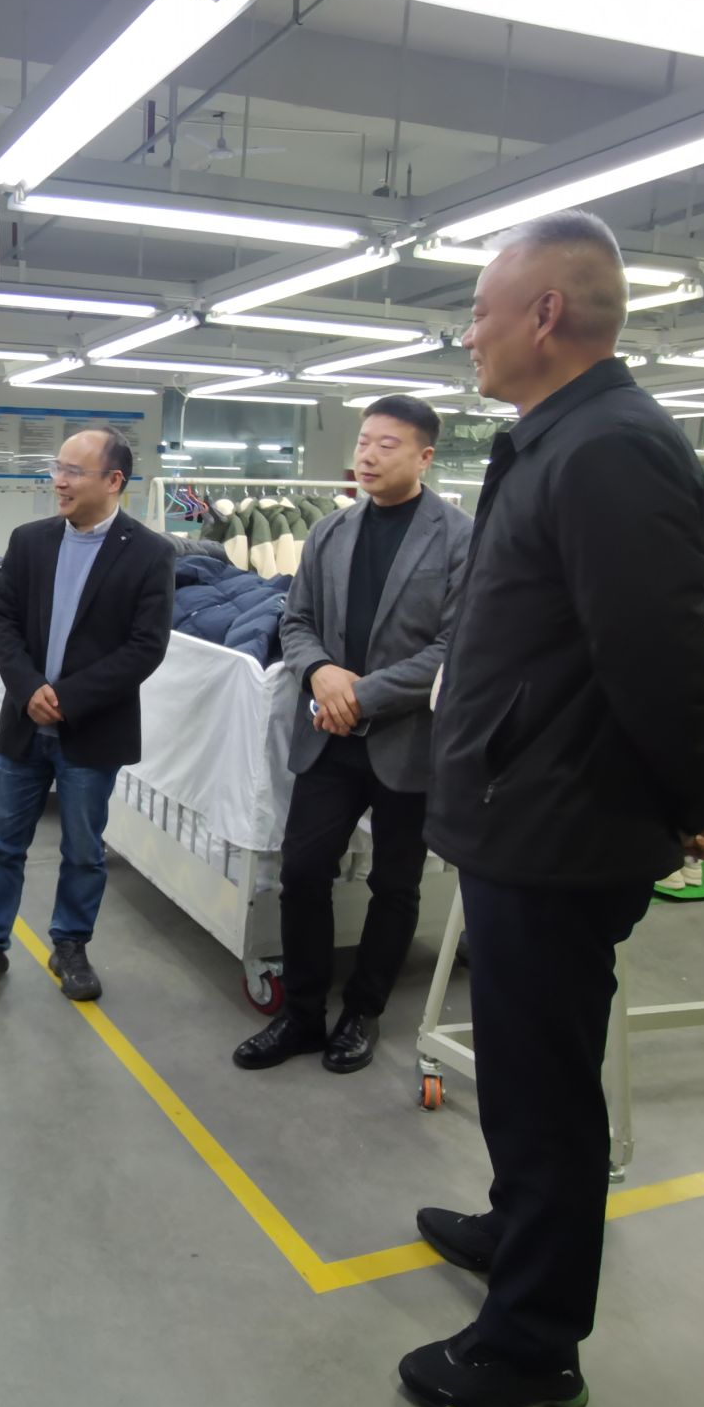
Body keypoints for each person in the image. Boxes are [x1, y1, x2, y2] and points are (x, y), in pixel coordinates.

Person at [399, 212, 704, 1407]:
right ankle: (516, 1230)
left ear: (545, 314)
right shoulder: (555, 441)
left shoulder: (609, 449)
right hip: (523, 812)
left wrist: (688, 799)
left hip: (562, 824)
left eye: (480, 310)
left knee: (545, 1090)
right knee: (522, 1068)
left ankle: (532, 1346)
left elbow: (659, 659)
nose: (467, 334)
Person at [232, 395, 470, 1073]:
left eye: (386, 445)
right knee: (304, 872)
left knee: (395, 885)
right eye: (364, 442)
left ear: (424, 457)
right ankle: (302, 1014)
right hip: (329, 737)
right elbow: (296, 620)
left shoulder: (459, 537)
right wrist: (320, 673)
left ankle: (363, 1011)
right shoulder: (332, 532)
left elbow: (455, 646)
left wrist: (360, 695)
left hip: (407, 740)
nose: (367, 455)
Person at [0, 428, 173, 1005]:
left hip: (92, 731)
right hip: (25, 725)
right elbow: (3, 619)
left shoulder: (149, 553)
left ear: (113, 481)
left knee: (84, 849)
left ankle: (70, 944)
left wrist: (66, 697)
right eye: (57, 468)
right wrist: (29, 689)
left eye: (73, 471)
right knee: (2, 845)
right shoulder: (31, 541)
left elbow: (146, 647)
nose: (59, 482)